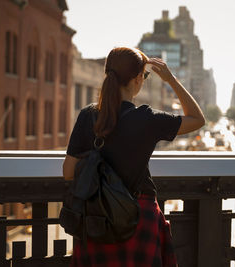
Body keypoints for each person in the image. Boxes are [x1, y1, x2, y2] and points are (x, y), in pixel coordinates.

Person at [62, 47, 205, 267]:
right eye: (145, 76)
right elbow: (197, 119)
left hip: (95, 219)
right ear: (138, 78)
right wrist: (171, 79)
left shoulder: (88, 115)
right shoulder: (147, 119)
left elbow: (69, 172)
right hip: (139, 218)